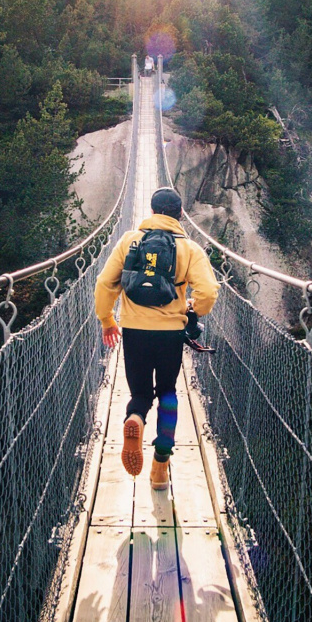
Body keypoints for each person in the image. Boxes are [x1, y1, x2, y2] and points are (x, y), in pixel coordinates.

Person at [94, 186, 218, 489]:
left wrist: (107, 320)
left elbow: (104, 283)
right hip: (170, 335)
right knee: (167, 394)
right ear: (180, 215)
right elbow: (208, 292)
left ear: (151, 212)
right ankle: (160, 466)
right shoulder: (189, 248)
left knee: (140, 393)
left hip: (134, 330)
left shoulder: (129, 241)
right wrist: (193, 309)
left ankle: (134, 418)